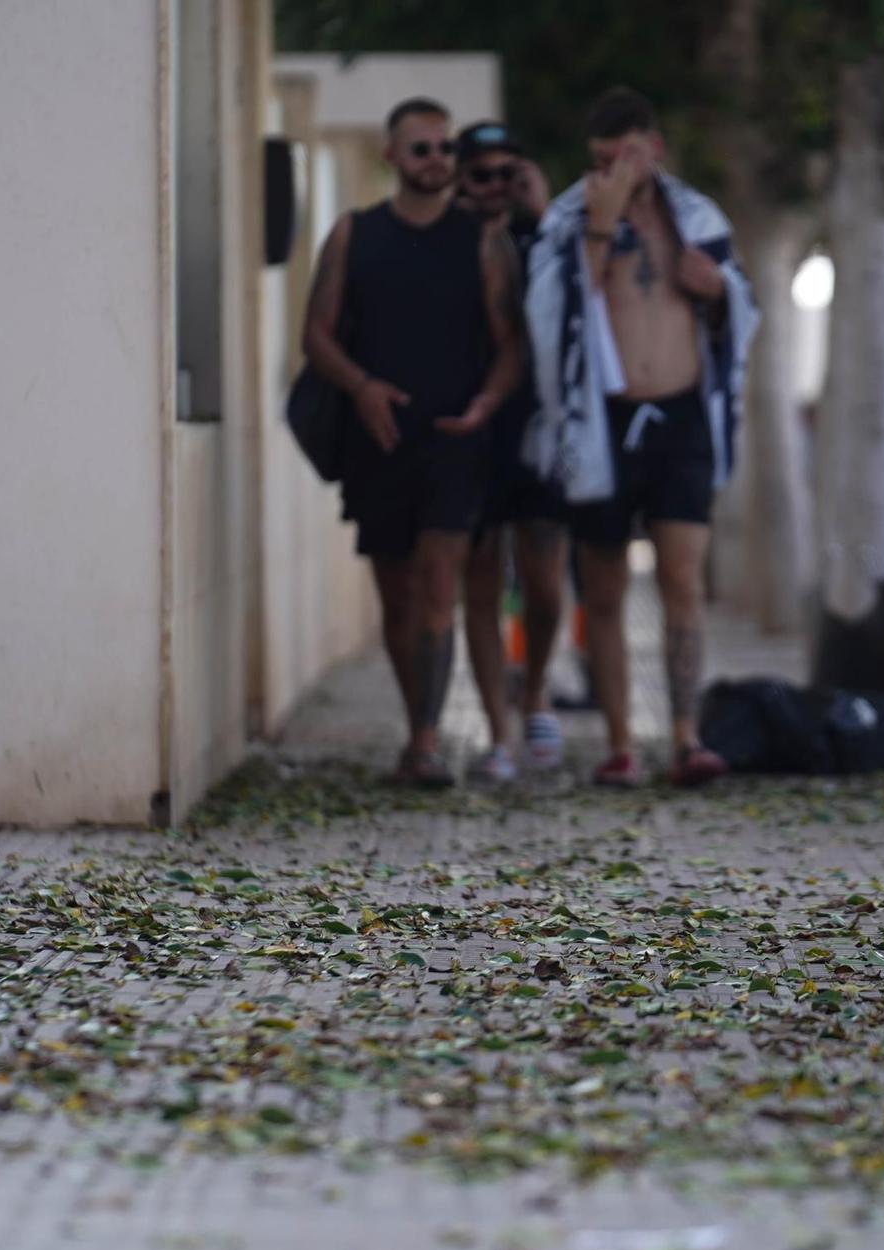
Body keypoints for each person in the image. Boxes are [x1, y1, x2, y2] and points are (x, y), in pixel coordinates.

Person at [523, 88, 758, 788]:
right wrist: (599, 222)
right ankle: (621, 742)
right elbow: (553, 314)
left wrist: (717, 288)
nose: (612, 171)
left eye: (623, 157)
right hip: (604, 422)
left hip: (681, 416)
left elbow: (741, 308)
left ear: (652, 148)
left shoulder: (697, 218)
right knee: (603, 587)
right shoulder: (572, 218)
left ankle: (686, 737)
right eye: (599, 161)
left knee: (683, 577)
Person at [301, 98, 523, 787]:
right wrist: (362, 387)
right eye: (421, 149)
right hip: (380, 440)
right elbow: (316, 334)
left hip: (456, 442)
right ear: (392, 156)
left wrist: (486, 401)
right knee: (396, 597)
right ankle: (416, 724)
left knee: (436, 585)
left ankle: (425, 743)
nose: (436, 160)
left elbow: (513, 342)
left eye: (444, 149)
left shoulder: (483, 241)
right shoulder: (353, 234)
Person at [451, 121, 567, 783]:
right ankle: (499, 727)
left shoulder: (545, 238)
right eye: (483, 174)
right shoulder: (448, 243)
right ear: (463, 179)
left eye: (508, 173)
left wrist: (544, 210)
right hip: (472, 429)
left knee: (547, 586)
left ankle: (538, 688)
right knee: (483, 585)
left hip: (540, 428)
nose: (496, 187)